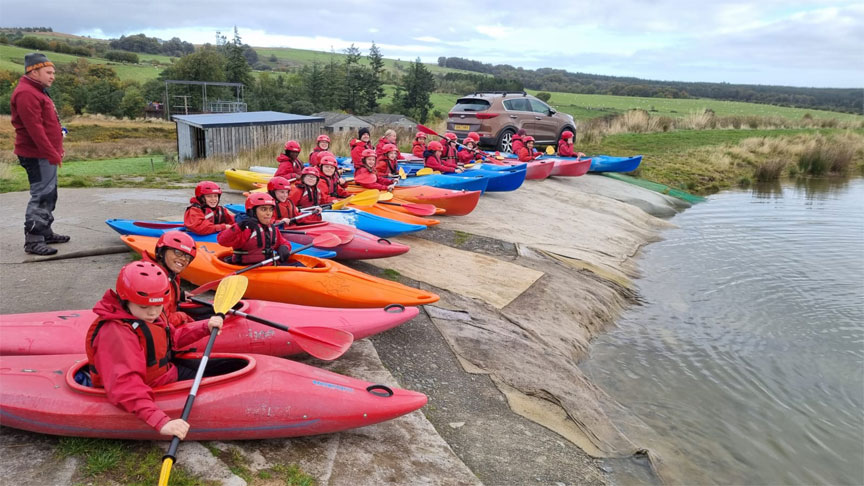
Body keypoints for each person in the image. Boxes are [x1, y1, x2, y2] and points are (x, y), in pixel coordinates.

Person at [85, 261, 224, 439]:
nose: (152, 313)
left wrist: (204, 326)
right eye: (144, 307)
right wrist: (160, 421)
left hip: (165, 372)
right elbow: (125, 384)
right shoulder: (116, 333)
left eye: (158, 306)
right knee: (213, 382)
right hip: (152, 385)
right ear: (124, 299)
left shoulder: (151, 316)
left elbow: (171, 338)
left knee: (223, 367)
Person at [11, 53, 67, 256]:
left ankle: (45, 232)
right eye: (49, 72)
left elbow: (48, 125)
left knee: (49, 194)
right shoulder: (27, 93)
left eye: (53, 72)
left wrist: (56, 148)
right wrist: (51, 153)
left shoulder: (38, 90)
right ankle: (33, 241)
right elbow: (34, 129)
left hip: (45, 153)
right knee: (42, 195)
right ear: (34, 71)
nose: (53, 76)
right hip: (36, 155)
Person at [217, 193, 295, 265]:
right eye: (264, 209)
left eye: (270, 209)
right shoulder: (244, 229)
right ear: (252, 212)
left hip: (269, 266)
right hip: (248, 268)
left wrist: (284, 247)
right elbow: (222, 240)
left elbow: (283, 242)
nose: (268, 213)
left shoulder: (272, 228)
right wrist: (239, 226)